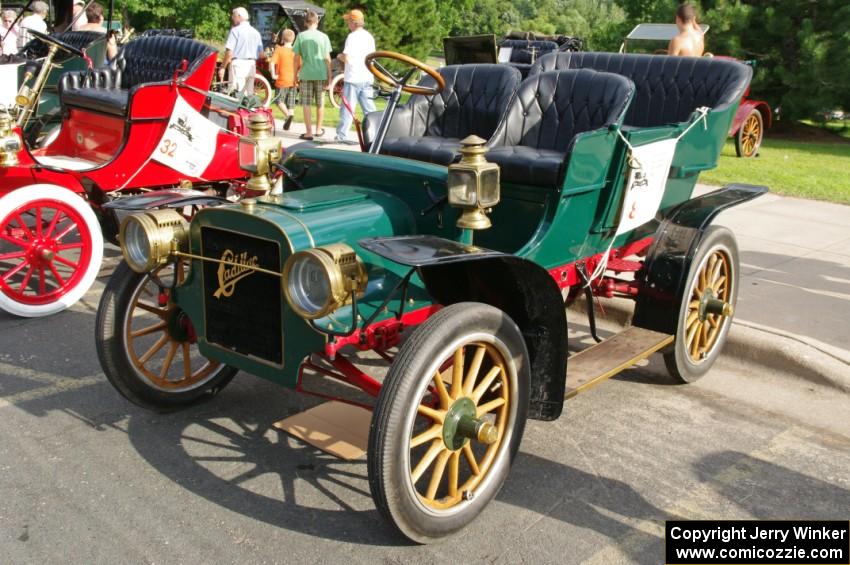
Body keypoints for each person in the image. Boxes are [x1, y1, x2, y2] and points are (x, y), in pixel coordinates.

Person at [334, 9, 376, 143]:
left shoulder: (352, 37)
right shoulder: (369, 36)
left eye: (348, 21)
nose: (347, 23)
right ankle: (377, 133)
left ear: (353, 22)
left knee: (348, 107)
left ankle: (342, 135)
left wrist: (339, 56)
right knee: (369, 109)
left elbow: (347, 58)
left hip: (353, 77)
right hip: (367, 76)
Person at [292, 10, 331, 140]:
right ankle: (318, 130)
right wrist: (329, 76)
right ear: (317, 22)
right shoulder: (324, 37)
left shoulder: (301, 36)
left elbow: (296, 58)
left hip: (306, 73)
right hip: (321, 73)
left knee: (306, 104)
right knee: (320, 103)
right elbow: (327, 59)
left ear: (305, 22)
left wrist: (294, 75)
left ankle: (308, 132)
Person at [218, 7, 263, 96]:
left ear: (239, 16)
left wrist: (223, 67)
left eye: (233, 16)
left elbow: (229, 52)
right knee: (248, 96)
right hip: (251, 65)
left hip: (238, 65)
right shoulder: (256, 33)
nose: (232, 18)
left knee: (236, 94)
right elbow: (261, 54)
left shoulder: (235, 30)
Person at [269, 28, 298, 130]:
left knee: (278, 100)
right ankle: (288, 120)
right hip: (293, 81)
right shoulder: (296, 51)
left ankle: (288, 116)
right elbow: (301, 66)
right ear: (293, 39)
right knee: (291, 103)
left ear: (282, 39)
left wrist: (273, 75)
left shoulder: (279, 50)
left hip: (282, 80)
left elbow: (272, 63)